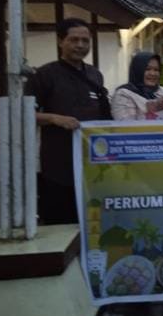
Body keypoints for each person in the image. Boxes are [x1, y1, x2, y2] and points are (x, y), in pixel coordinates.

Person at [25, 18, 111, 224]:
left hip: (93, 165)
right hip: (58, 167)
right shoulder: (44, 75)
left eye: (85, 40)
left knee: (92, 223)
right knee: (60, 225)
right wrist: (54, 118)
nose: (80, 45)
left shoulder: (95, 75)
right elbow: (23, 114)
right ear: (60, 41)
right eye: (74, 40)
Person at [111, 52, 163, 120]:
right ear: (137, 70)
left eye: (156, 70)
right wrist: (152, 111)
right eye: (147, 69)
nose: (152, 73)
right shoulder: (124, 94)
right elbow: (125, 125)